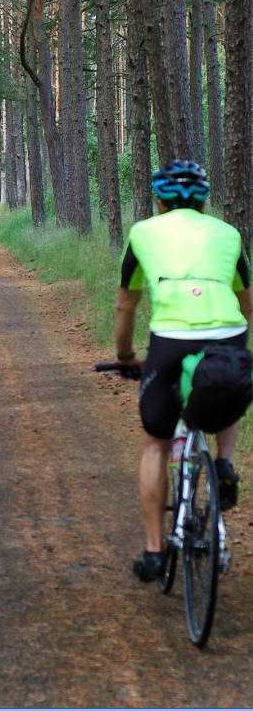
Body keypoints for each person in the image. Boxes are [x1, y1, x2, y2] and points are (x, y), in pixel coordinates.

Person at [114, 160, 252, 582]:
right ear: (204, 201)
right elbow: (246, 303)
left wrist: (125, 357)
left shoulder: (142, 233)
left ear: (159, 201)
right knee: (225, 388)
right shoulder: (228, 234)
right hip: (228, 334)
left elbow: (126, 305)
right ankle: (224, 463)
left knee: (157, 441)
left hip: (170, 339)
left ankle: (156, 551)